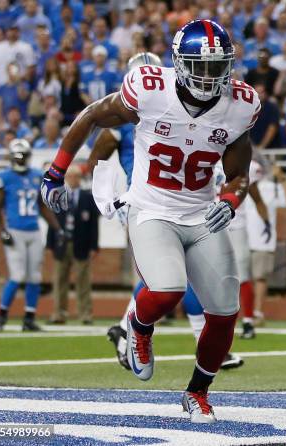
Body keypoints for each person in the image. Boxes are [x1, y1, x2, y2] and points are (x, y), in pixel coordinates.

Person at [41, 20, 261, 423]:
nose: (210, 77)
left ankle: (197, 393)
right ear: (178, 63)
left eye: (218, 67)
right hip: (152, 208)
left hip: (202, 214)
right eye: (200, 65)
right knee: (166, 289)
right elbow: (92, 116)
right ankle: (138, 327)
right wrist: (56, 171)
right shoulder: (149, 88)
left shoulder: (241, 104)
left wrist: (231, 198)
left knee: (225, 312)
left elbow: (239, 174)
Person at [86, 52, 245, 372]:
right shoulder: (126, 118)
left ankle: (125, 329)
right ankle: (150, 331)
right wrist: (111, 197)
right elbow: (96, 160)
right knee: (173, 278)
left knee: (166, 277)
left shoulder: (176, 104)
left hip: (181, 202)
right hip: (146, 204)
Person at [0, 139, 62, 331]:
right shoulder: (3, 177)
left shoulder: (37, 176)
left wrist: (57, 228)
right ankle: (1, 316)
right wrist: (2, 231)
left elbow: (41, 206)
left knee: (35, 277)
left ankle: (29, 318)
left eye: (24, 156)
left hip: (33, 231)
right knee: (17, 275)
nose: (21, 160)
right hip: (15, 231)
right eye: (19, 156)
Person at [46, 166, 99, 324]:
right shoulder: (58, 196)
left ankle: (85, 314)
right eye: (69, 177)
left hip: (81, 244)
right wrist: (50, 244)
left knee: (83, 281)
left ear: (80, 178)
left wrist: (94, 246)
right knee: (60, 280)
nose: (72, 180)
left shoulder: (87, 197)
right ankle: (59, 313)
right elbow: (52, 222)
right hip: (61, 244)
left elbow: (93, 224)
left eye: (75, 177)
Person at [246, 164, 286, 325]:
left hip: (261, 240)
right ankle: (242, 312)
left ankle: (257, 312)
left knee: (259, 278)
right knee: (241, 278)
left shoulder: (271, 186)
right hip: (240, 236)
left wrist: (282, 178)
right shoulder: (241, 184)